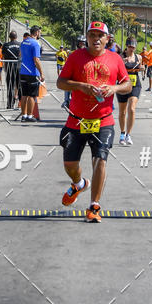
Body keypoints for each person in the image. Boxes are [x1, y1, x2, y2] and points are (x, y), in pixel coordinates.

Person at [56, 21, 131, 223]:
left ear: (107, 39)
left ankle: (94, 206)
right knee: (70, 164)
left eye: (100, 35)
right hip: (76, 120)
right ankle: (79, 183)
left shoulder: (115, 59)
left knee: (100, 160)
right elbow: (60, 82)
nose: (96, 39)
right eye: (92, 35)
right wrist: (81, 86)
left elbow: (128, 85)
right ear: (87, 37)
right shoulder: (75, 57)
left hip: (103, 120)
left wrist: (114, 89)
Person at [117, 37, 142, 145]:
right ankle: (122, 133)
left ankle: (128, 134)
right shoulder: (120, 57)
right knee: (122, 112)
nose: (132, 49)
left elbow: (142, 66)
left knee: (131, 108)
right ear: (126, 47)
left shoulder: (139, 57)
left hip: (135, 85)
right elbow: (116, 68)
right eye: (130, 46)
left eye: (134, 47)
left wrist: (142, 69)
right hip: (123, 85)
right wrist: (123, 62)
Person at [19, 25, 44, 122]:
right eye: (40, 32)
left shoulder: (23, 42)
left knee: (24, 94)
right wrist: (42, 73)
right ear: (37, 32)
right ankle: (29, 116)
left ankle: (23, 115)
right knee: (32, 95)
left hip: (23, 71)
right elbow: (36, 60)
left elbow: (20, 54)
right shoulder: (35, 44)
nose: (40, 34)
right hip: (32, 73)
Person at [62, 37, 85, 111]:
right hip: (75, 75)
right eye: (80, 43)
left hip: (85, 75)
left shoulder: (88, 54)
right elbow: (68, 64)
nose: (82, 45)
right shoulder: (73, 53)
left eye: (83, 43)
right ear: (78, 44)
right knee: (67, 84)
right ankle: (66, 100)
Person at [2, 30, 21, 110]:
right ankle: (21, 104)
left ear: (9, 37)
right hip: (19, 67)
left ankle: (10, 104)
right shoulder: (20, 45)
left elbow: (3, 55)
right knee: (19, 86)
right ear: (16, 37)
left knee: (10, 86)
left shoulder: (6, 45)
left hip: (10, 67)